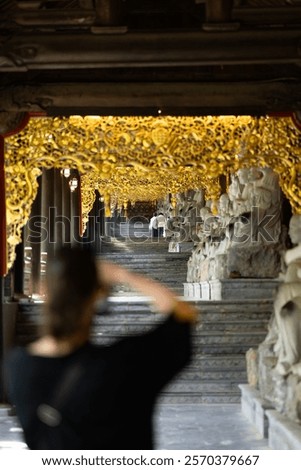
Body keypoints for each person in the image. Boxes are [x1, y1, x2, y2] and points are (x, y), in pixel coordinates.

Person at [5, 246, 197, 450]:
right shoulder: (124, 363)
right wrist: (121, 274)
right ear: (99, 294)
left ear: (43, 289)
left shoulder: (17, 365)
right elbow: (183, 314)